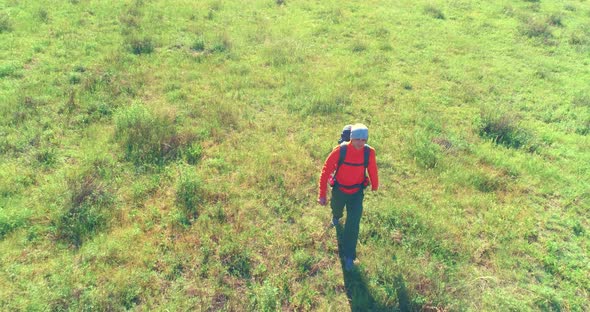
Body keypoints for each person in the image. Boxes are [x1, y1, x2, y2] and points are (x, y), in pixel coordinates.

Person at [318, 123, 379, 271]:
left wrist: (375, 184)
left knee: (353, 224)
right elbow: (325, 171)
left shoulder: (368, 152)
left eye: (363, 140)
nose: (360, 143)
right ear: (351, 138)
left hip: (356, 193)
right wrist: (322, 194)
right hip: (339, 189)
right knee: (336, 208)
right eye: (357, 139)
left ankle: (349, 256)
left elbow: (372, 168)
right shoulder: (340, 151)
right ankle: (336, 217)